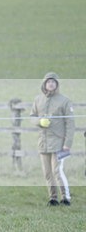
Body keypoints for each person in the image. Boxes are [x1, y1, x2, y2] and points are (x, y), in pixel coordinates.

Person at [30, 72, 74, 206]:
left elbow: (70, 124)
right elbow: (32, 117)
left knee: (57, 171)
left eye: (53, 82)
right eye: (48, 81)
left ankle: (65, 198)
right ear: (44, 83)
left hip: (59, 143)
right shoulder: (38, 99)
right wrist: (39, 122)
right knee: (47, 172)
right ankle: (53, 198)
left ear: (57, 85)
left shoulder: (64, 101)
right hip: (43, 143)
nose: (51, 84)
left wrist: (67, 143)